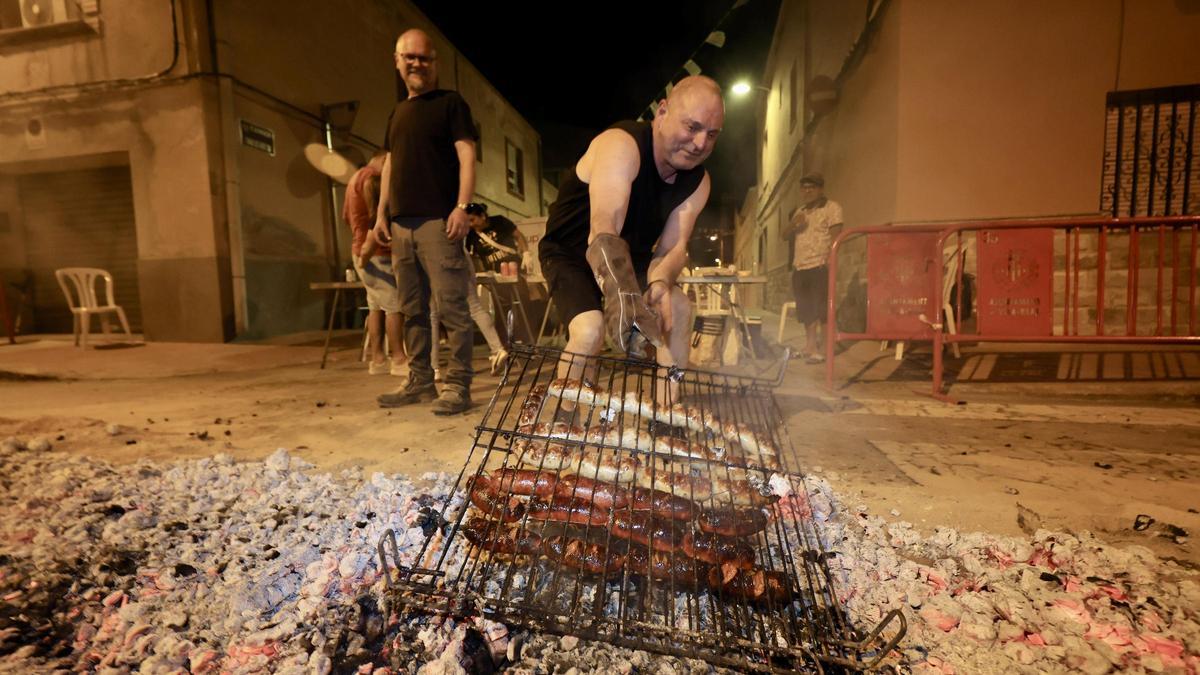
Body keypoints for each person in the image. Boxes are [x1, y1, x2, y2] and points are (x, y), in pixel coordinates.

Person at [538, 75, 723, 387]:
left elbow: (673, 248)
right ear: (662, 111)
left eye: (712, 134)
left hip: (631, 256)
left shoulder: (698, 182)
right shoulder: (621, 144)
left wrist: (661, 283)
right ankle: (564, 423)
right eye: (692, 127)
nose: (701, 143)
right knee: (589, 330)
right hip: (569, 253)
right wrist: (621, 294)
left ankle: (667, 416)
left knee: (677, 307)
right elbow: (604, 226)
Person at [372, 28, 477, 415]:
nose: (417, 64)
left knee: (452, 307)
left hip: (439, 221)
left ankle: (459, 384)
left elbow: (467, 156)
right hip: (401, 226)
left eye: (424, 58)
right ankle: (420, 380)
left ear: (434, 62)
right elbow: (390, 165)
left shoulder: (451, 104)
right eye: (410, 57)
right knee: (411, 307)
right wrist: (381, 213)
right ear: (397, 62)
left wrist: (462, 207)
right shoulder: (397, 113)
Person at [430, 202, 521, 377]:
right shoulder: (456, 214)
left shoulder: (425, 221)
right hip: (459, 254)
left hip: (435, 256)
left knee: (433, 314)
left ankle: (434, 368)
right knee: (476, 307)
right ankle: (498, 349)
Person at [346, 154, 407, 377]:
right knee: (393, 306)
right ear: (383, 160)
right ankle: (399, 359)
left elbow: (347, 218)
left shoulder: (353, 181)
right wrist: (367, 251)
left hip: (360, 249)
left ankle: (378, 359)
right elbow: (376, 217)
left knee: (375, 306)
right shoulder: (373, 179)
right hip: (376, 251)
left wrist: (360, 251)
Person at [781, 172, 843, 364]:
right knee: (806, 310)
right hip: (800, 266)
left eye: (812, 187)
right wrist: (793, 224)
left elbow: (836, 236)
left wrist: (830, 260)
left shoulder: (832, 208)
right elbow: (784, 236)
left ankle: (824, 349)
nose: (807, 191)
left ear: (820, 189)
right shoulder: (800, 211)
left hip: (820, 265)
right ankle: (810, 347)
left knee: (821, 310)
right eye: (804, 188)